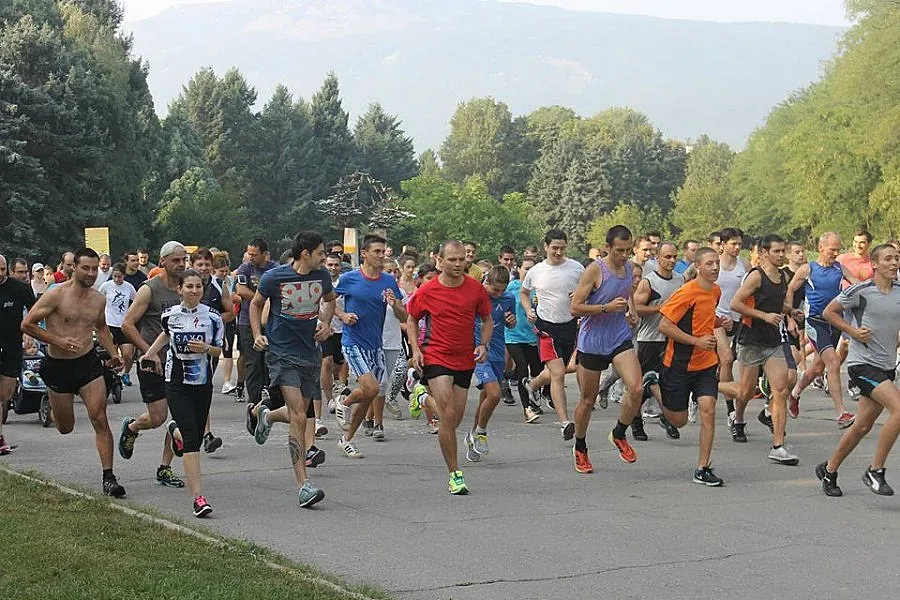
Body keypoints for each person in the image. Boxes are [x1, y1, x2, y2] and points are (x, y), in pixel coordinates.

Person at [20, 248, 126, 496]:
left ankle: (109, 477)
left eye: (94, 268)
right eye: (85, 268)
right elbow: (27, 324)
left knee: (99, 416)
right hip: (58, 366)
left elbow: (101, 329)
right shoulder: (56, 295)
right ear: (74, 268)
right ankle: (52, 399)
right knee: (65, 427)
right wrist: (57, 340)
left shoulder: (98, 299)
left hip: (87, 363)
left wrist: (113, 354)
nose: (90, 273)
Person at [249, 230, 335, 508]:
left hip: (310, 351)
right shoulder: (275, 277)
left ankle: (268, 415)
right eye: (321, 252)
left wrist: (325, 323)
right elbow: (255, 304)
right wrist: (256, 334)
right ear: (305, 254)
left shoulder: (321, 277)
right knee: (300, 416)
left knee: (298, 411)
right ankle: (303, 484)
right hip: (281, 353)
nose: (325, 257)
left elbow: (331, 300)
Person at [407, 240, 492, 495]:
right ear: (439, 261)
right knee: (448, 412)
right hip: (436, 355)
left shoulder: (475, 289)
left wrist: (484, 344)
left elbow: (487, 319)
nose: (457, 264)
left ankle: (422, 397)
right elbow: (412, 319)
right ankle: (455, 473)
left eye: (461, 260)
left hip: (465, 358)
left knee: (452, 420)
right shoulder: (428, 291)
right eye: (452, 260)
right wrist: (416, 349)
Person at [816, 244, 900, 497]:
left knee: (862, 426)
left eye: (897, 258)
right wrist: (852, 332)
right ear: (874, 264)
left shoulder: (899, 292)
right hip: (862, 364)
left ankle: (829, 469)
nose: (894, 262)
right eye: (888, 259)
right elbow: (828, 312)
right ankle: (875, 470)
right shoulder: (861, 291)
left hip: (886, 365)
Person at [142, 269, 224, 517]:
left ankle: (173, 429)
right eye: (189, 286)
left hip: (202, 381)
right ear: (179, 289)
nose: (194, 291)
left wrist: (206, 348)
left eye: (198, 286)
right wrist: (150, 353)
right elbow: (166, 334)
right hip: (176, 381)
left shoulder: (213, 317)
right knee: (191, 442)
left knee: (196, 436)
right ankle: (198, 498)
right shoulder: (170, 314)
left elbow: (220, 351)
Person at [718, 235, 798, 464]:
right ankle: (728, 407)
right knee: (746, 391)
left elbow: (776, 303)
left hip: (772, 341)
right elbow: (735, 303)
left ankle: (778, 445)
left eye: (783, 251)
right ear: (764, 253)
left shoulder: (783, 276)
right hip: (751, 340)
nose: (781, 255)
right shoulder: (756, 276)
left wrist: (790, 312)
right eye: (777, 251)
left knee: (781, 391)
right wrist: (763, 316)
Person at [570, 226, 643, 472]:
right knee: (587, 400)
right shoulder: (595, 270)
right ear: (608, 247)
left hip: (618, 336)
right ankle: (580, 447)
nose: (624, 255)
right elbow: (575, 307)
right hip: (592, 340)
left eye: (628, 250)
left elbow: (628, 292)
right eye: (619, 250)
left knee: (636, 387)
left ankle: (619, 433)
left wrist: (631, 311)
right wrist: (605, 308)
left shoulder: (630, 268)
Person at [656, 247, 725, 486]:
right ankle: (653, 387)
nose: (715, 267)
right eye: (709, 263)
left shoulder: (715, 291)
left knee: (708, 408)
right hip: (679, 364)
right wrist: (697, 341)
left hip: (706, 363)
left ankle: (702, 467)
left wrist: (718, 322)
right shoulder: (686, 292)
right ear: (697, 266)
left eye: (717, 263)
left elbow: (702, 318)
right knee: (679, 421)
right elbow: (664, 326)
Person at [120, 241, 187, 488]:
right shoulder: (149, 289)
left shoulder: (186, 288)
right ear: (163, 262)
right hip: (152, 362)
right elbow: (127, 324)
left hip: (181, 361)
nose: (181, 264)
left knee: (179, 415)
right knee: (158, 418)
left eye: (183, 260)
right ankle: (133, 427)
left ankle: (165, 468)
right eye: (176, 261)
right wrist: (149, 353)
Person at [332, 234, 406, 458]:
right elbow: (328, 301)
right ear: (364, 254)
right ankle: (343, 401)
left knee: (368, 396)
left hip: (376, 345)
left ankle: (346, 439)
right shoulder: (349, 279)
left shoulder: (388, 281)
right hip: (353, 341)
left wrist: (394, 304)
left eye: (383, 252)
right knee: (372, 389)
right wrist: (343, 315)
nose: (382, 256)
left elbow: (404, 315)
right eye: (377, 252)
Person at [785, 232, 858, 427]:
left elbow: (857, 285)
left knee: (818, 367)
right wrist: (790, 315)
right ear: (821, 248)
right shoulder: (808, 269)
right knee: (833, 362)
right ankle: (841, 413)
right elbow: (791, 289)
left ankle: (794, 394)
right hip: (815, 322)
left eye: (838, 249)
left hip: (834, 322)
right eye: (832, 249)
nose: (836, 253)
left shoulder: (839, 268)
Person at [520, 230, 585, 440]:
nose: (558, 252)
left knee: (563, 368)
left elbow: (590, 289)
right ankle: (565, 422)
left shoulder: (576, 268)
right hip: (545, 327)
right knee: (557, 373)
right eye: (554, 248)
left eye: (562, 248)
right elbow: (524, 293)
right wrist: (529, 309)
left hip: (569, 326)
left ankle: (532, 384)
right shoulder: (536, 271)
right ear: (545, 247)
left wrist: (582, 295)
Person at [464, 266, 516, 462]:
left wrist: (512, 321)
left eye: (502, 290)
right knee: (495, 394)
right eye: (495, 290)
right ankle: (481, 432)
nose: (499, 294)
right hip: (478, 352)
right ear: (486, 283)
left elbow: (512, 323)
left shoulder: (509, 298)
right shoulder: (476, 296)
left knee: (486, 398)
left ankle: (472, 436)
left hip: (497, 353)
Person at [632, 241, 684, 438]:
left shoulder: (680, 279)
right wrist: (660, 308)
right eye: (667, 257)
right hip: (649, 339)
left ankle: (666, 416)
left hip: (671, 338)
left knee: (668, 382)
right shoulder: (649, 282)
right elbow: (636, 308)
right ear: (658, 258)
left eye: (674, 257)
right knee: (640, 384)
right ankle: (636, 422)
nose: (671, 261)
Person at [193, 247, 234, 453]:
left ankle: (206, 434)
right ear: (192, 266)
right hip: (185, 346)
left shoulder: (218, 285)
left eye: (207, 265)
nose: (203, 268)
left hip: (210, 347)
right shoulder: (184, 284)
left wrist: (214, 321)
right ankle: (188, 428)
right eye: (199, 264)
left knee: (204, 387)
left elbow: (230, 313)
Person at [0, 255, 38, 454]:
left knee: (4, 394)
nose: (0, 274)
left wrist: (28, 332)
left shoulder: (19, 289)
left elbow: (35, 311)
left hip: (12, 346)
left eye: (3, 269)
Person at [235, 238, 278, 408]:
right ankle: (253, 401)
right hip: (247, 321)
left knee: (270, 360)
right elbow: (241, 290)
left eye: (254, 254)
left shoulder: (275, 269)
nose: (250, 257)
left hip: (271, 321)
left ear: (265, 254)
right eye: (249, 253)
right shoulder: (245, 268)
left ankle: (272, 397)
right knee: (252, 362)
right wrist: (260, 300)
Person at [506, 257, 543, 423]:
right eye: (526, 268)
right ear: (519, 269)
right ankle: (526, 408)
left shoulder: (540, 289)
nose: (529, 272)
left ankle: (505, 376)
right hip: (513, 334)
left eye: (532, 269)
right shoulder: (512, 287)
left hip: (532, 335)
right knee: (522, 367)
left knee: (536, 370)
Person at [98, 263, 137, 387]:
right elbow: (98, 300)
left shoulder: (128, 287)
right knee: (112, 354)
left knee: (127, 354)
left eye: (119, 276)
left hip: (123, 324)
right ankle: (112, 376)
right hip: (110, 323)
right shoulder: (106, 286)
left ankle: (125, 373)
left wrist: (133, 316)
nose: (117, 279)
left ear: (124, 276)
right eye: (114, 276)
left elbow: (136, 302)